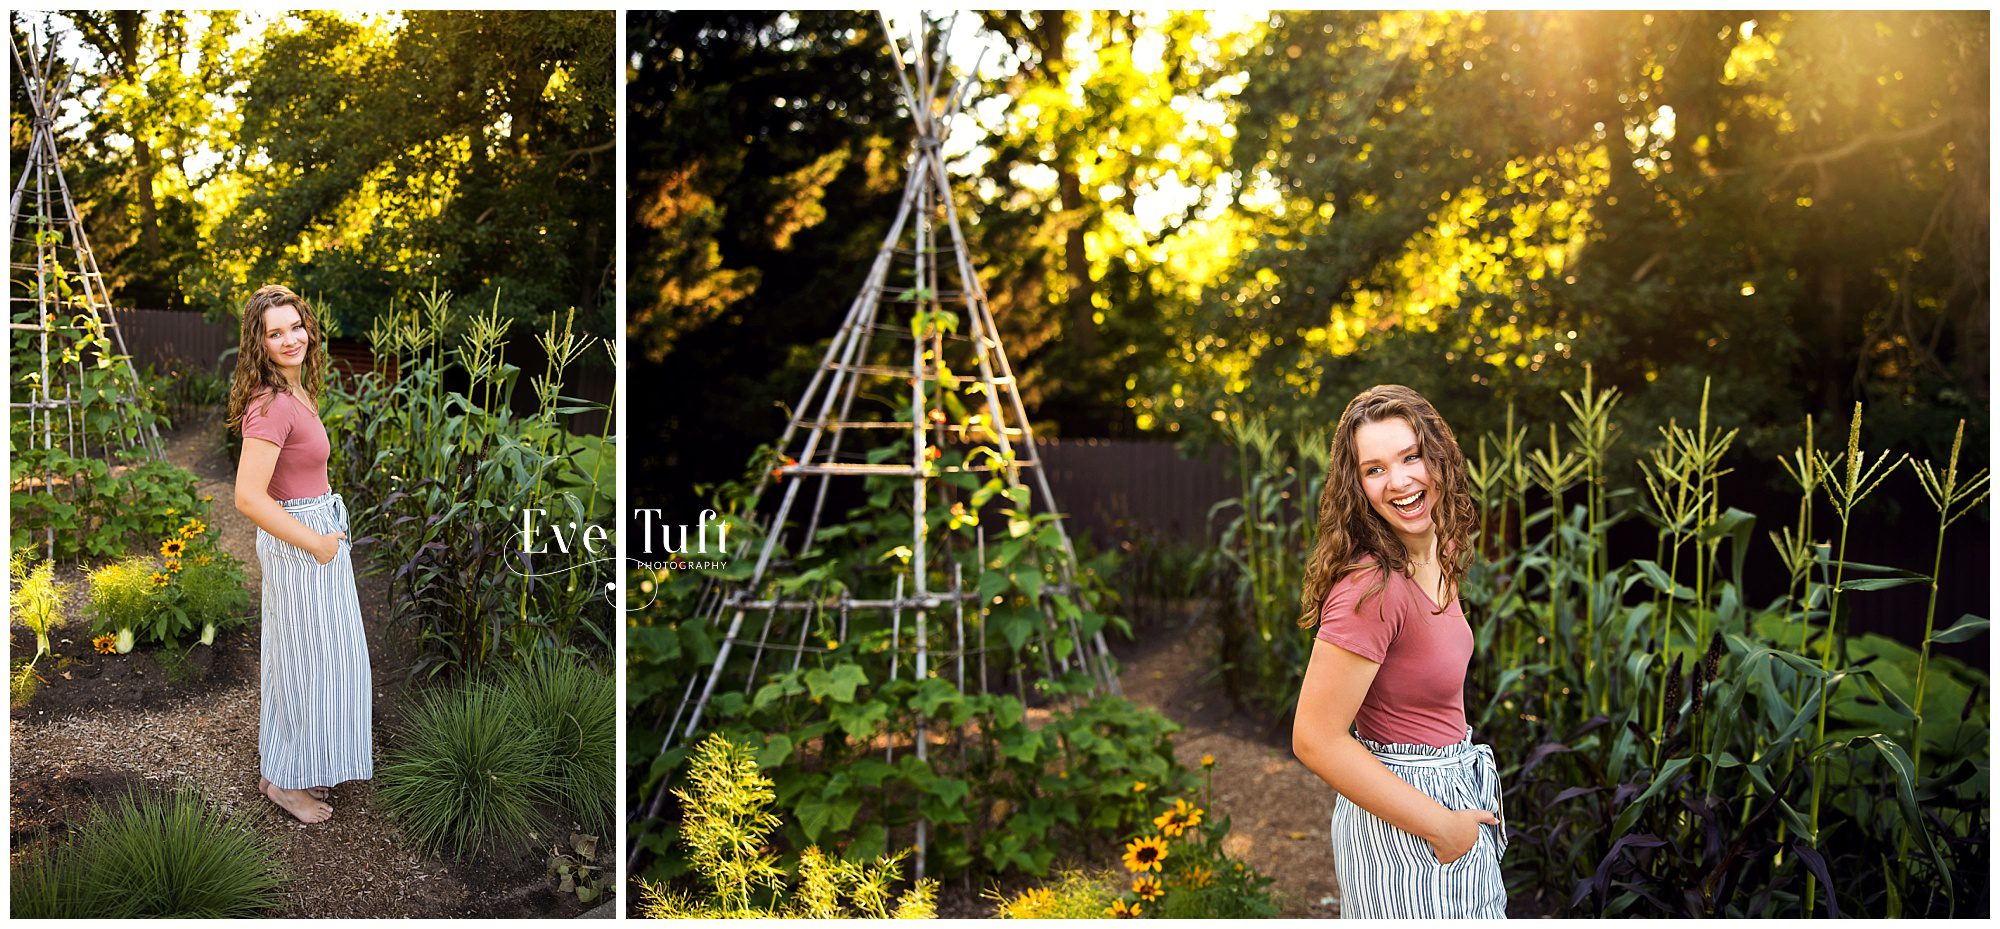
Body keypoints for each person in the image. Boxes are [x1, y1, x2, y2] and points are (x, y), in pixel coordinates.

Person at [1291, 384, 1506, 918]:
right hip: (1404, 814)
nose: (1401, 481)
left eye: (1411, 456)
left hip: (1452, 792)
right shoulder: (1372, 589)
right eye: (1375, 469)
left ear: (1440, 457)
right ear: (1358, 487)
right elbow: (1314, 739)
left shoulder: (1443, 547)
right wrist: (1441, 824)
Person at [228, 284, 371, 825]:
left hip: (319, 531)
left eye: (295, 327)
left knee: (328, 661)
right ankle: (284, 783)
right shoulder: (270, 405)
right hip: (302, 543)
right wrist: (316, 543)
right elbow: (246, 497)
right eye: (275, 332)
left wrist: (328, 534)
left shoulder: (298, 392)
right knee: (302, 664)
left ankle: (294, 764)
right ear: (259, 344)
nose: (290, 339)